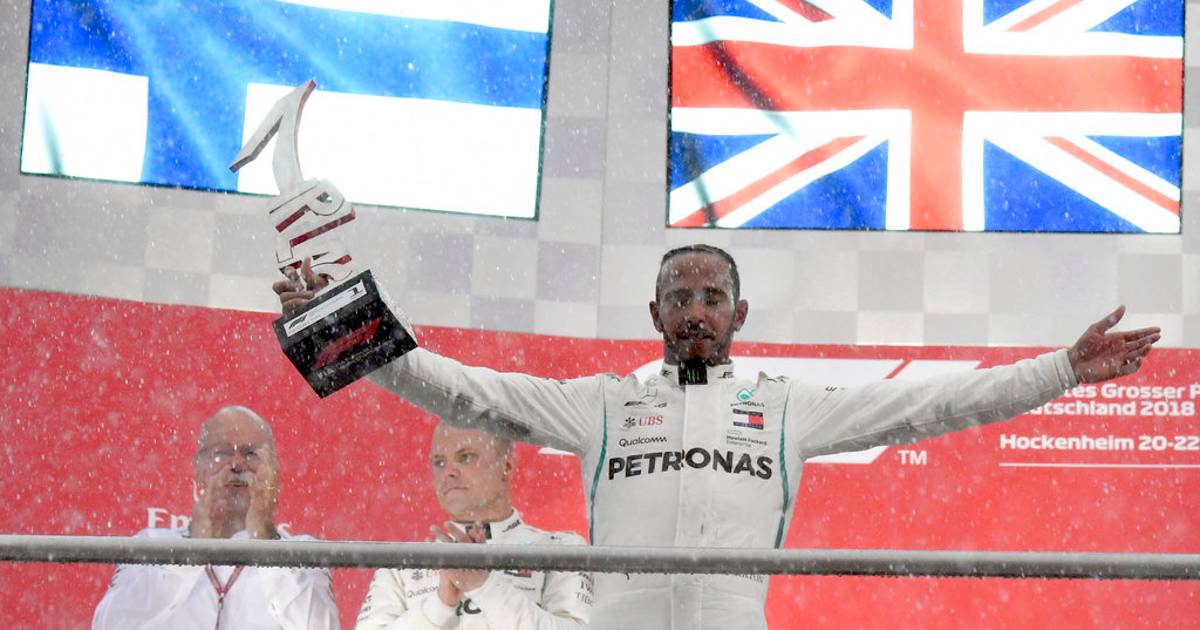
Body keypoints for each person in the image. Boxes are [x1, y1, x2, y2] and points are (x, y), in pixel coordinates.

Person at [274, 244, 1159, 630]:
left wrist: (1061, 370)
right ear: (653, 313)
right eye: (679, 299)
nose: (695, 311)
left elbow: (932, 406)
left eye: (712, 298)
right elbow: (457, 386)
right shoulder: (603, 405)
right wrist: (329, 324)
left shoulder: (788, 406)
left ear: (740, 313)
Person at [92, 405, 340, 630]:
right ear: (199, 469)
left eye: (250, 454)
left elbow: (322, 627)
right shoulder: (152, 544)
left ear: (274, 471)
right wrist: (192, 550)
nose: (237, 465)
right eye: (222, 453)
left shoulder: (304, 553)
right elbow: (108, 625)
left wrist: (264, 539)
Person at [355, 423, 592, 629]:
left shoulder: (561, 549)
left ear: (506, 465)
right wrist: (440, 604)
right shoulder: (401, 563)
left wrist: (484, 586)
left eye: (465, 457)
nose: (448, 472)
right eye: (439, 462)